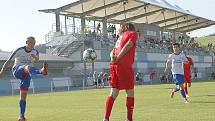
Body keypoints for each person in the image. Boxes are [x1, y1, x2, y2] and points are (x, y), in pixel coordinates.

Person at [0, 36, 48, 121]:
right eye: (30, 43)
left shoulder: (35, 51)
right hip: (17, 71)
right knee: (26, 67)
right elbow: (8, 61)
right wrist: (1, 73)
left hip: (26, 75)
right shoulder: (19, 50)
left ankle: (21, 117)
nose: (32, 45)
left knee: (23, 96)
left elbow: (37, 59)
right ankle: (41, 71)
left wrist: (35, 57)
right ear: (26, 43)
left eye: (33, 43)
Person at [103, 23, 137, 121]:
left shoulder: (119, 38)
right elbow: (129, 44)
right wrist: (118, 57)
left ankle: (106, 118)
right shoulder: (132, 33)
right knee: (130, 92)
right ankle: (129, 119)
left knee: (113, 92)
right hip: (124, 66)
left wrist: (113, 58)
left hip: (114, 66)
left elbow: (111, 52)